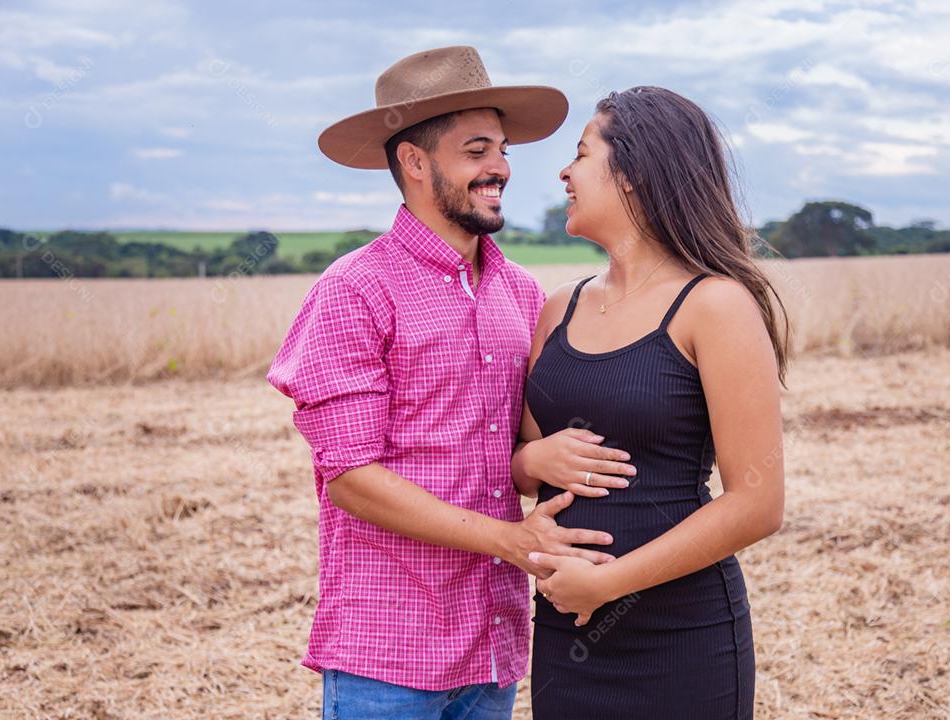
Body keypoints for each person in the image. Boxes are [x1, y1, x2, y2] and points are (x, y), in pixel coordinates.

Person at [267, 46, 625, 720]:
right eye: (477, 150)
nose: (501, 169)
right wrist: (508, 539)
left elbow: (513, 460)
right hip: (387, 655)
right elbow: (349, 476)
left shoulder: (522, 293)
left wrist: (546, 459)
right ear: (415, 161)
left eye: (504, 150)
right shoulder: (354, 290)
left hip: (493, 648)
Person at [511, 86, 789, 720]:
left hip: (681, 637)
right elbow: (521, 460)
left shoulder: (714, 305)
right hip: (565, 631)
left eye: (581, 154)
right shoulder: (560, 308)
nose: (563, 172)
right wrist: (534, 463)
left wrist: (605, 583)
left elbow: (758, 503)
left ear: (633, 174)